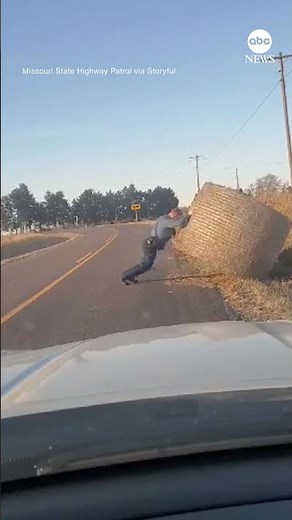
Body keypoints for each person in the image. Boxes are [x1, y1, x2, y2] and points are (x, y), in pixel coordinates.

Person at [122, 207, 192, 285]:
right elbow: (179, 223)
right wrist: (188, 215)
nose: (177, 219)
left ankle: (130, 275)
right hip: (150, 245)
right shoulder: (166, 220)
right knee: (146, 265)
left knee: (146, 265)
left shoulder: (165, 219)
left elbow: (180, 225)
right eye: (178, 217)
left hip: (152, 244)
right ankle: (126, 275)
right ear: (174, 215)